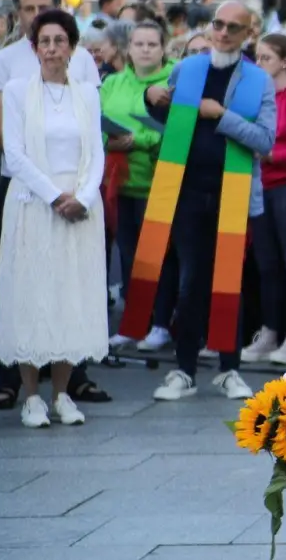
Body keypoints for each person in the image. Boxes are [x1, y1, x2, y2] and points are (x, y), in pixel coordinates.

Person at [136, 1, 276, 402]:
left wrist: (222, 115)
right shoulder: (189, 68)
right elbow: (172, 118)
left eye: (234, 27)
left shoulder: (258, 80)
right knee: (191, 280)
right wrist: (153, 97)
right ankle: (184, 369)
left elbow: (265, 141)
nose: (224, 32)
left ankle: (229, 368)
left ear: (249, 34)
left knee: (229, 280)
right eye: (219, 24)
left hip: (232, 190)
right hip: (185, 189)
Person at [0, 0, 106, 412]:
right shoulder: (17, 88)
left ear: (72, 46)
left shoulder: (87, 93)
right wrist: (57, 197)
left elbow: (96, 151)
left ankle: (62, 393)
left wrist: (84, 198)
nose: (52, 47)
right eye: (44, 41)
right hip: (35, 203)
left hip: (80, 205)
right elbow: (12, 153)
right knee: (33, 294)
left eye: (60, 40)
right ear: (33, 45)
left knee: (71, 295)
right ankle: (30, 395)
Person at [238, 35, 286, 365]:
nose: (259, 64)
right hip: (259, 185)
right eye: (257, 57)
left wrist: (272, 154)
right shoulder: (255, 94)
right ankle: (270, 330)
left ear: (285, 62)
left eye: (266, 58)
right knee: (266, 263)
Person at [101, 21, 173, 351]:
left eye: (152, 44)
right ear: (128, 48)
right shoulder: (113, 82)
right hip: (120, 182)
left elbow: (173, 127)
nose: (145, 49)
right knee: (128, 255)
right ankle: (132, 323)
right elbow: (93, 119)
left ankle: (161, 323)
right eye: (138, 44)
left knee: (158, 257)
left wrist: (137, 140)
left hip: (159, 181)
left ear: (163, 48)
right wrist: (110, 140)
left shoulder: (174, 80)